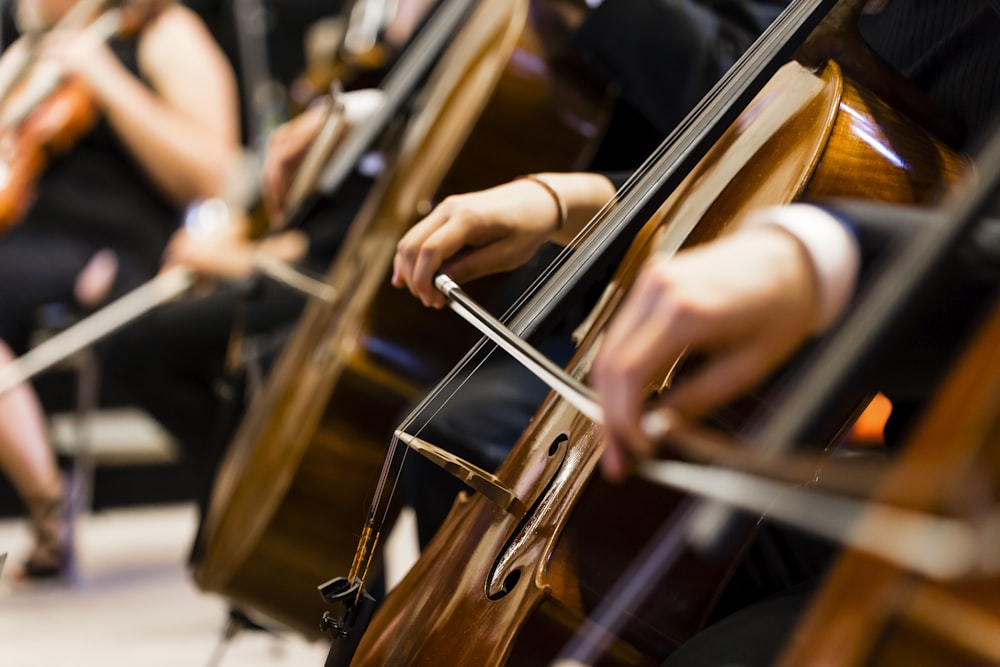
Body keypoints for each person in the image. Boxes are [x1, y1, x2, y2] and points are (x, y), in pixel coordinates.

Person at [391, 0, 1000, 662]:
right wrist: (570, 201)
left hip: (968, 505)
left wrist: (830, 255)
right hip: (907, 471)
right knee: (474, 460)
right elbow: (764, 157)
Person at [0, 0, 239, 580]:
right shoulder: (31, 49)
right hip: (24, 244)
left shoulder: (158, 30)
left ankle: (51, 504)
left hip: (120, 253)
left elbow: (213, 173)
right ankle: (48, 497)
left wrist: (105, 78)